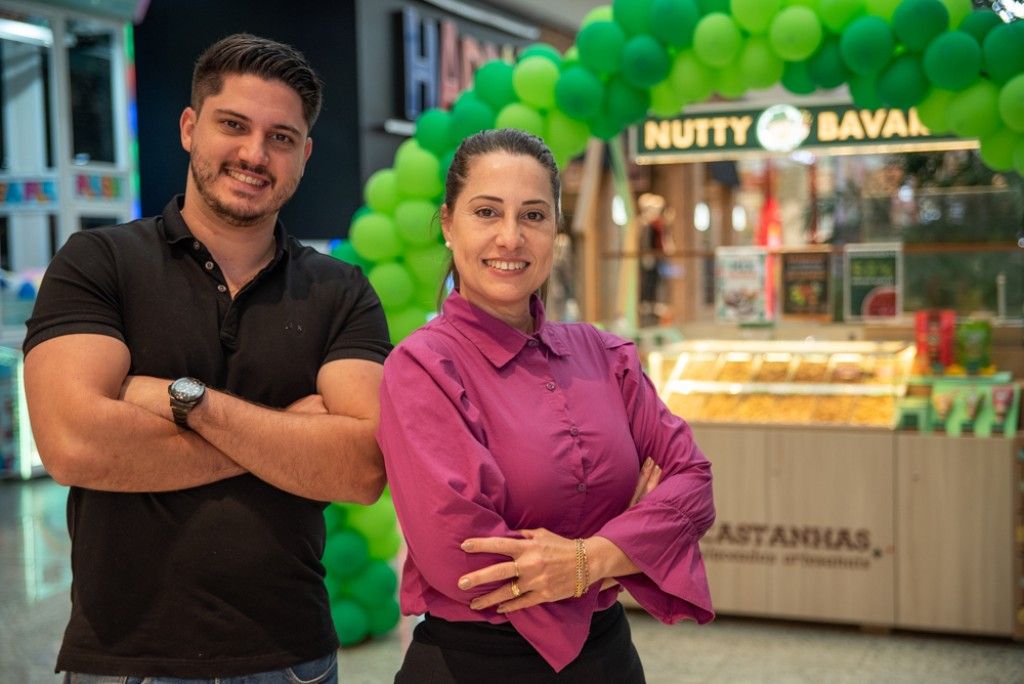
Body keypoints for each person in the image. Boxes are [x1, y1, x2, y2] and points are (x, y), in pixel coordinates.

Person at [23, 34, 391, 683]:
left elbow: (362, 469)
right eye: (234, 125)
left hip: (291, 657)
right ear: (191, 127)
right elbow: (73, 443)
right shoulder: (98, 261)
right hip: (126, 659)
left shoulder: (340, 291)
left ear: (304, 154)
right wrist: (292, 432)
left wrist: (178, 400)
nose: (255, 153)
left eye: (281, 137)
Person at [377, 128, 715, 682]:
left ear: (555, 229)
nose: (510, 237)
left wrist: (587, 561)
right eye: (487, 212)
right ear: (447, 224)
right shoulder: (421, 368)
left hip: (608, 660)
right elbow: (461, 556)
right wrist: (629, 539)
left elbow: (694, 484)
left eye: (533, 216)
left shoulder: (608, 356)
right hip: (473, 666)